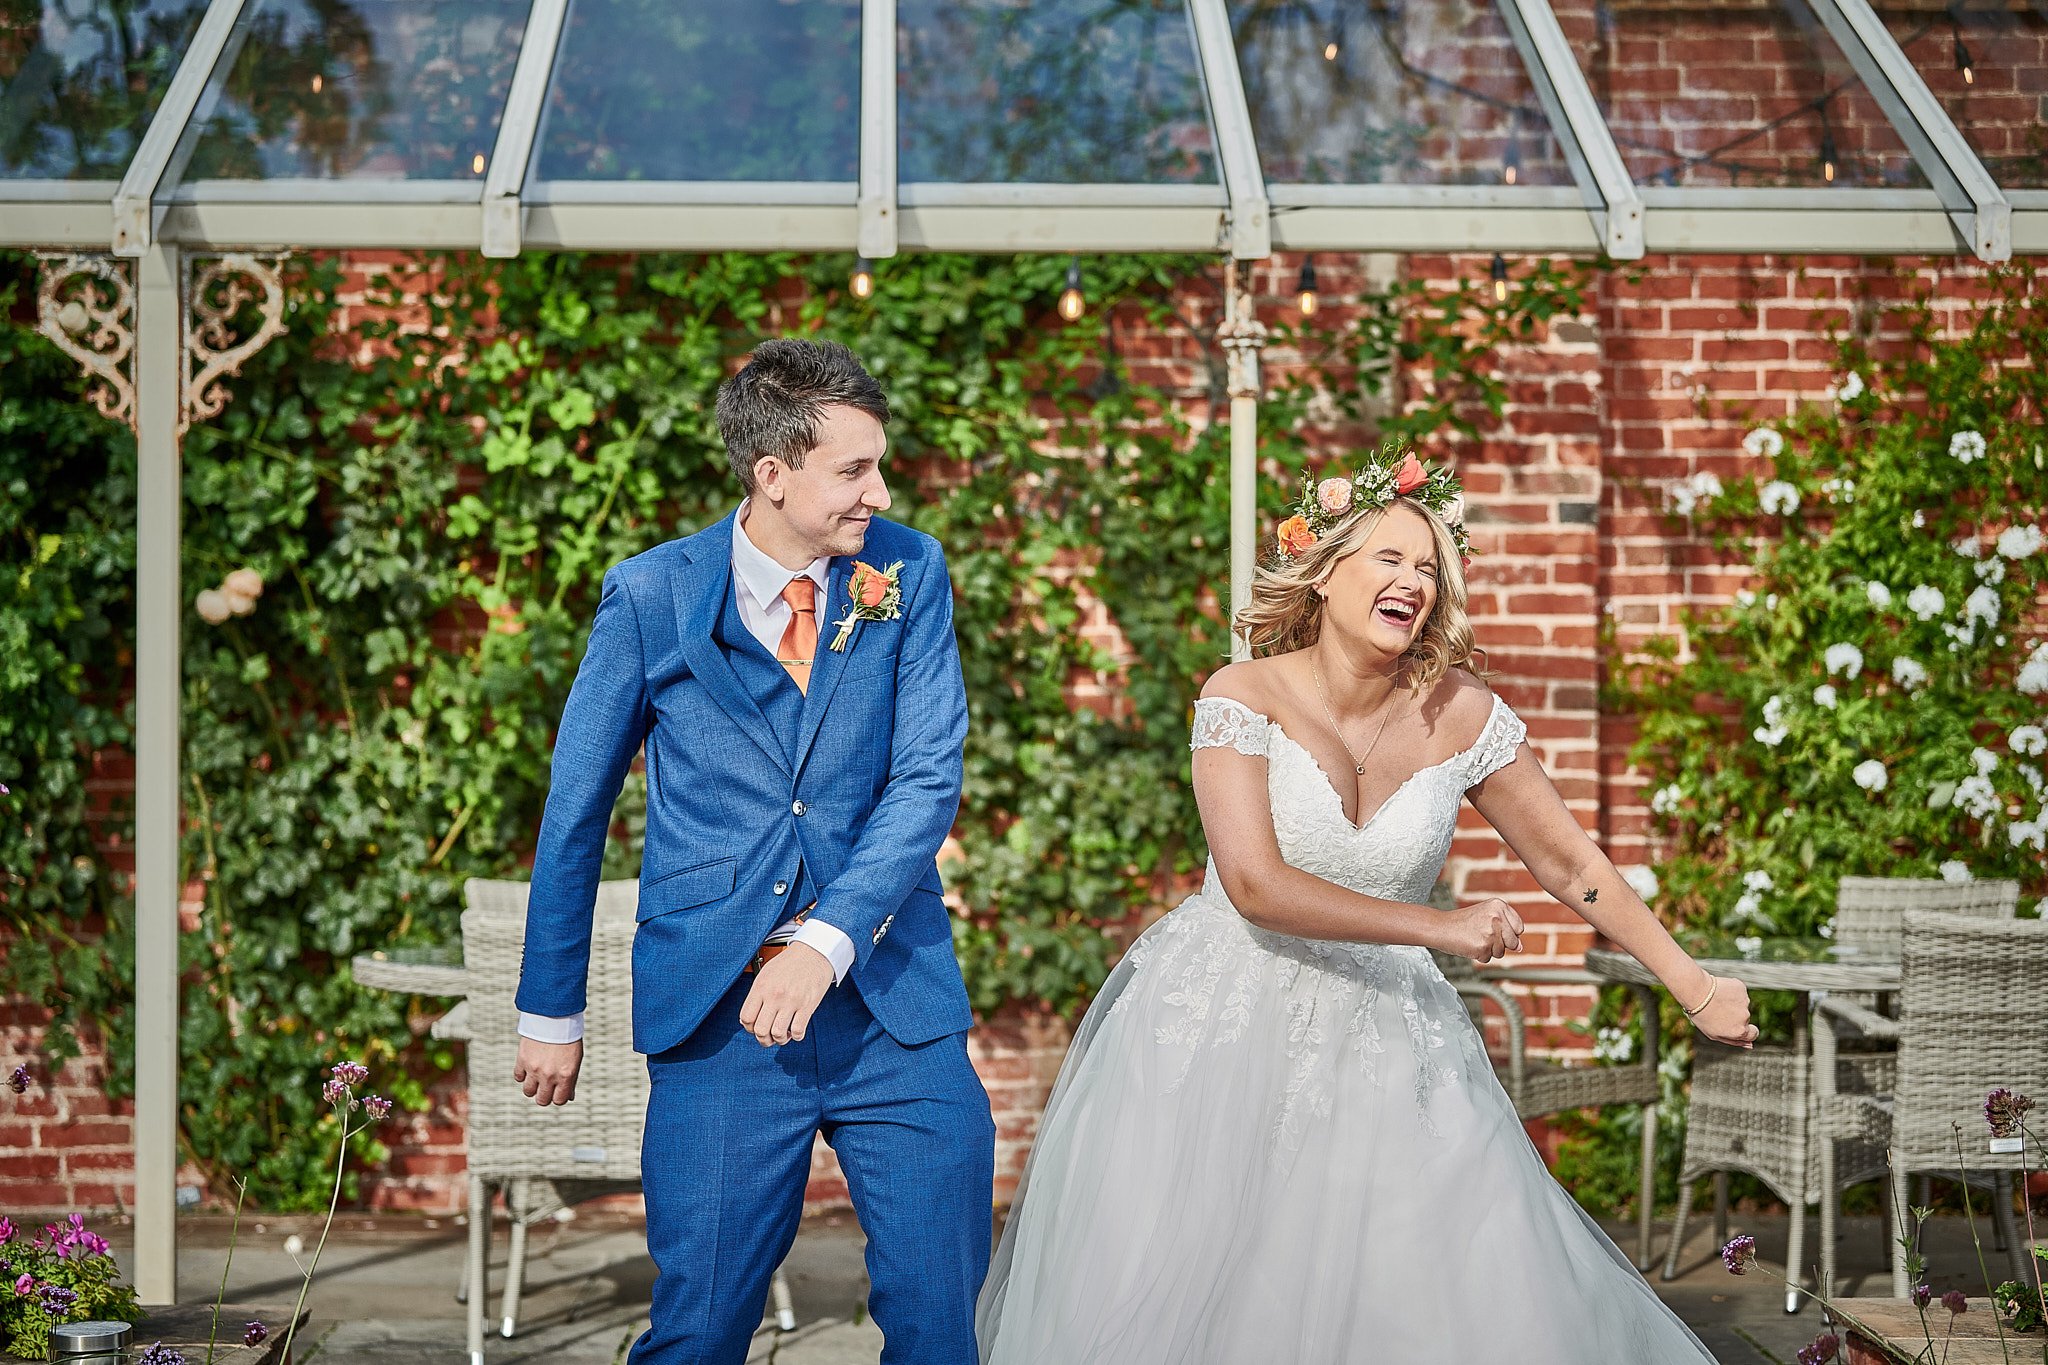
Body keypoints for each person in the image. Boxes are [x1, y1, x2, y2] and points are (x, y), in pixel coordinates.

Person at [976, 447, 1757, 1364]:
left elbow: (1568, 859)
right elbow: (1257, 885)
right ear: (1326, 571)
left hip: (1395, 1036)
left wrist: (1691, 981)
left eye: (1428, 567)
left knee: (1430, 1276)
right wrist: (1444, 927)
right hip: (1228, 1026)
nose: (1413, 582)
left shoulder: (1462, 711)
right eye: (1390, 558)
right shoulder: (1240, 697)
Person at [513, 338, 994, 1365]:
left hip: (891, 1007)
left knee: (940, 1320)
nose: (878, 489)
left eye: (878, 464)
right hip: (717, 1014)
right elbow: (574, 809)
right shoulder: (649, 596)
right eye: (852, 469)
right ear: (771, 475)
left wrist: (827, 940)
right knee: (699, 1328)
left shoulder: (906, 568)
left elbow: (925, 778)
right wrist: (549, 1008)